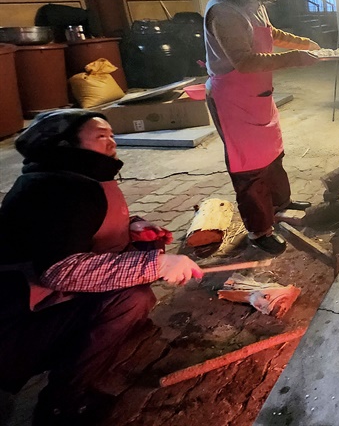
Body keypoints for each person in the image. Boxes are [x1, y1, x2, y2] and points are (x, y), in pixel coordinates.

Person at [0, 110, 203, 425]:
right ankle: (60, 403)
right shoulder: (55, 191)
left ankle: (114, 332)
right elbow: (60, 270)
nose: (111, 142)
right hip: (18, 323)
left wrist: (134, 227)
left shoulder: (76, 177)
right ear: (68, 144)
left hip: (49, 299)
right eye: (100, 136)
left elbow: (86, 229)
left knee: (138, 279)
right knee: (131, 298)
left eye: (111, 134)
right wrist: (158, 263)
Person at [204, 0, 321, 255]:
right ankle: (259, 230)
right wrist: (294, 59)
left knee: (273, 154)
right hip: (234, 100)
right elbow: (244, 61)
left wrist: (301, 43)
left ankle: (281, 205)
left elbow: (272, 34)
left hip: (259, 96)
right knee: (249, 168)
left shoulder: (253, 3)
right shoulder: (224, 11)